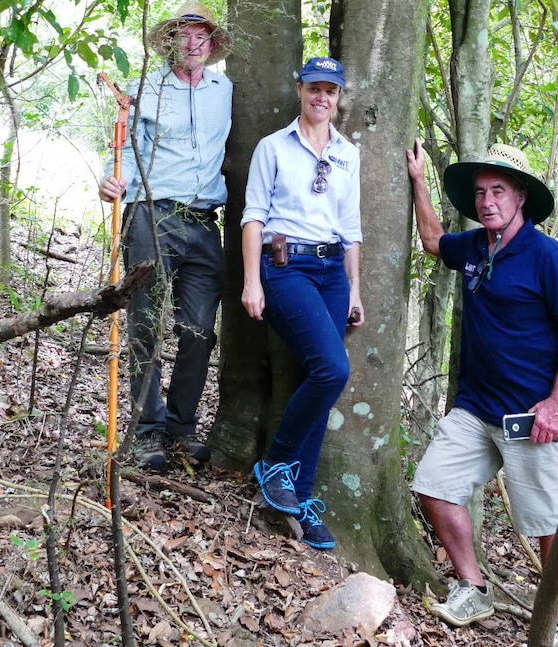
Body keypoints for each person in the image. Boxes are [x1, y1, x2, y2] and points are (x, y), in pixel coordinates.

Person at [406, 138, 558, 645]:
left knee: (550, 526)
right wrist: (420, 182)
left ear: (521, 197)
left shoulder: (546, 256)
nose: (488, 201)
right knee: (432, 484)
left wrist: (557, 404)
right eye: (482, 192)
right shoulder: (472, 247)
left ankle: (553, 624)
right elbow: (431, 240)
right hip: (475, 408)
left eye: (499, 191)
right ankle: (474, 586)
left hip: (534, 419)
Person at [97, 2, 232, 472]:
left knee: (198, 329)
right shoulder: (146, 88)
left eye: (201, 36)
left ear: (212, 44)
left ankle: (181, 426)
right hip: (151, 213)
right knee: (144, 322)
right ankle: (146, 430)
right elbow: (124, 145)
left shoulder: (226, 90)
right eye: (183, 35)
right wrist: (110, 181)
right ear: (171, 41)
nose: (192, 44)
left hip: (204, 221)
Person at [240, 57, 363, 550]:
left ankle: (301, 500)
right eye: (315, 88)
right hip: (285, 268)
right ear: (300, 90)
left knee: (321, 379)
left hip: (333, 271)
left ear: (338, 97)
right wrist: (253, 282)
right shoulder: (273, 147)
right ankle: (276, 462)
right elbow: (252, 216)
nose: (322, 98)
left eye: (330, 91)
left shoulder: (348, 154)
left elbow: (351, 229)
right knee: (332, 370)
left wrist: (355, 289)